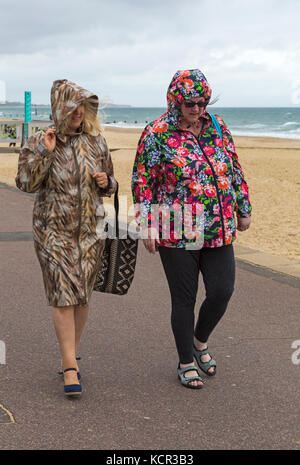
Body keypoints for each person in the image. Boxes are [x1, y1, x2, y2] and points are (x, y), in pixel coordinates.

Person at [131, 69, 252, 389]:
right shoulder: (157, 132)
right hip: (176, 226)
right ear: (175, 101)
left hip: (218, 225)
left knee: (222, 290)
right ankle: (186, 360)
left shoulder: (218, 126)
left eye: (202, 102)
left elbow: (233, 167)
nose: (198, 109)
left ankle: (200, 341)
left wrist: (244, 206)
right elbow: (142, 181)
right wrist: (146, 224)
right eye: (190, 103)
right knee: (184, 298)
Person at [16, 79, 118, 397]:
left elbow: (112, 185)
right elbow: (25, 183)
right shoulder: (39, 140)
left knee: (82, 296)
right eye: (72, 105)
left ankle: (68, 355)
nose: (78, 112)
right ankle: (70, 367)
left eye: (82, 105)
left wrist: (107, 182)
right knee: (63, 294)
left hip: (91, 232)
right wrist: (45, 155)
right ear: (60, 107)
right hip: (51, 232)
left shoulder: (96, 141)